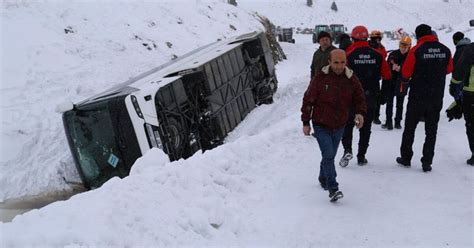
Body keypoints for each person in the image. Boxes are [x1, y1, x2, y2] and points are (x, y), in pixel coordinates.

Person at [301, 49, 367, 202]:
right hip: (320, 124)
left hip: (340, 125)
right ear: (329, 62)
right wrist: (306, 122)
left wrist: (360, 113)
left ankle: (323, 177)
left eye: (342, 62)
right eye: (336, 62)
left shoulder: (351, 78)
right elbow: (308, 100)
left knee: (328, 155)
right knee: (329, 155)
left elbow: (360, 98)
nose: (339, 66)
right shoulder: (320, 78)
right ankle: (333, 188)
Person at [396, 24, 453, 172]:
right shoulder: (445, 50)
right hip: (436, 96)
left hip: (417, 96)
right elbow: (449, 69)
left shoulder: (416, 50)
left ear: (418, 36)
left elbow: (406, 73)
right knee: (431, 130)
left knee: (410, 128)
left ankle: (406, 157)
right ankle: (427, 161)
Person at [339, 25, 391, 166]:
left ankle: (347, 149)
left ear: (352, 38)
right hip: (370, 96)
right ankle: (361, 156)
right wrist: (383, 95)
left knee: (348, 124)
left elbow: (341, 77)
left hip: (351, 97)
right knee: (366, 127)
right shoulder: (378, 55)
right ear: (367, 38)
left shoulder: (348, 55)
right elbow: (387, 76)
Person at [449, 38, 474, 166]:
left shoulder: (471, 49)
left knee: (471, 124)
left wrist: (453, 85)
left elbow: (459, 71)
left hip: (470, 93)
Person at [381, 36, 412, 130]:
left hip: (403, 82)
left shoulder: (411, 56)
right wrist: (392, 68)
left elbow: (412, 69)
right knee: (389, 102)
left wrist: (401, 69)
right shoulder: (393, 54)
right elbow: (386, 67)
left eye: (405, 46)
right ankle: (389, 122)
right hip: (392, 81)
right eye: (401, 45)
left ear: (409, 46)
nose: (403, 47)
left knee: (400, 103)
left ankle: (398, 122)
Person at [368, 30, 388, 125]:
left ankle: (376, 116)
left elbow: (384, 55)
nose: (377, 40)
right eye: (375, 38)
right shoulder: (366, 46)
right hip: (364, 75)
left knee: (376, 97)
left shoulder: (381, 48)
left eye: (378, 38)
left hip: (375, 76)